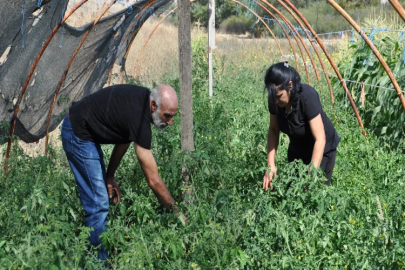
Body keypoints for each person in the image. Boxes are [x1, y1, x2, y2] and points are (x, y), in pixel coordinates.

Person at [61, 84, 185, 260]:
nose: (170, 122)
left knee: (100, 200)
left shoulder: (142, 101)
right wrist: (177, 212)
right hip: (77, 132)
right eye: (167, 116)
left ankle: (99, 257)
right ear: (154, 106)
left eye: (173, 116)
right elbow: (153, 180)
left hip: (84, 128)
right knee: (98, 203)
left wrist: (110, 175)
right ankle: (97, 264)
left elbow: (124, 137)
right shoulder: (139, 116)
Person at [262, 62, 340, 191]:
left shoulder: (307, 96)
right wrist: (270, 164)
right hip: (298, 145)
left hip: (322, 147)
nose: (275, 101)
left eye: (278, 96)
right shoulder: (274, 99)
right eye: (272, 97)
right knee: (292, 190)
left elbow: (320, 138)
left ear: (290, 85)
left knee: (314, 193)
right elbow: (274, 129)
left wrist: (312, 172)